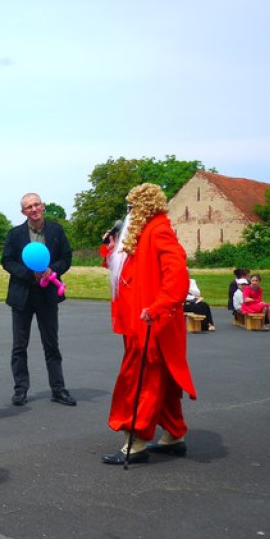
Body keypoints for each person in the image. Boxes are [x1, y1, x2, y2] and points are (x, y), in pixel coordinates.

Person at [103, 183, 196, 465]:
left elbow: (177, 274)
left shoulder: (158, 231)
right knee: (163, 380)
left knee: (140, 380)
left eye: (131, 208)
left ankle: (136, 441)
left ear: (143, 208)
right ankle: (173, 434)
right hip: (139, 319)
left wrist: (158, 307)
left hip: (150, 322)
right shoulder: (141, 233)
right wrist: (110, 248)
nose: (127, 213)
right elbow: (128, 271)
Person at [1, 192, 76, 407]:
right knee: (19, 346)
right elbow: (7, 261)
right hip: (22, 296)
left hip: (47, 295)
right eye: (28, 207)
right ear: (23, 212)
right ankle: (20, 389)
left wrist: (53, 269)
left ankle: (58, 389)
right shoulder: (15, 234)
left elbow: (66, 257)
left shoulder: (56, 230)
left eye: (36, 205)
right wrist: (28, 273)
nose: (33, 209)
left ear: (42, 206)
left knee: (51, 344)